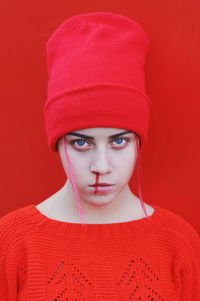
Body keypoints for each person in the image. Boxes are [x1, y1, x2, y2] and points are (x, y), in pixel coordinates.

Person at [0, 11, 199, 300]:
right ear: (58, 143)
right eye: (81, 143)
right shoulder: (12, 242)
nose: (101, 166)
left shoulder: (178, 242)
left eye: (118, 141)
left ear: (137, 143)